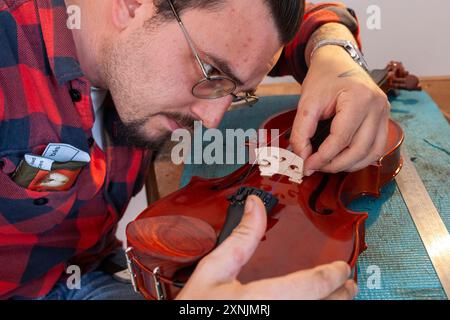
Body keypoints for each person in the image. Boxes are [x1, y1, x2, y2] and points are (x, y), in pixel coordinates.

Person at [0, 0, 389, 300]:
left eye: (236, 93)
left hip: (97, 269)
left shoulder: (203, 28)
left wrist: (337, 55)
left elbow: (280, 24)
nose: (212, 118)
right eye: (212, 74)